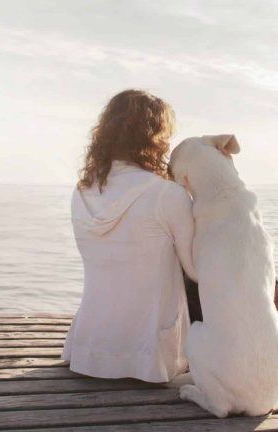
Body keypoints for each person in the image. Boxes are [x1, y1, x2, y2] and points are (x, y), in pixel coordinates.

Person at [62, 89, 197, 383]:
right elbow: (196, 271)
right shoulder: (167, 194)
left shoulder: (81, 191)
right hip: (150, 356)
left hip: (89, 350)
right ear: (156, 137)